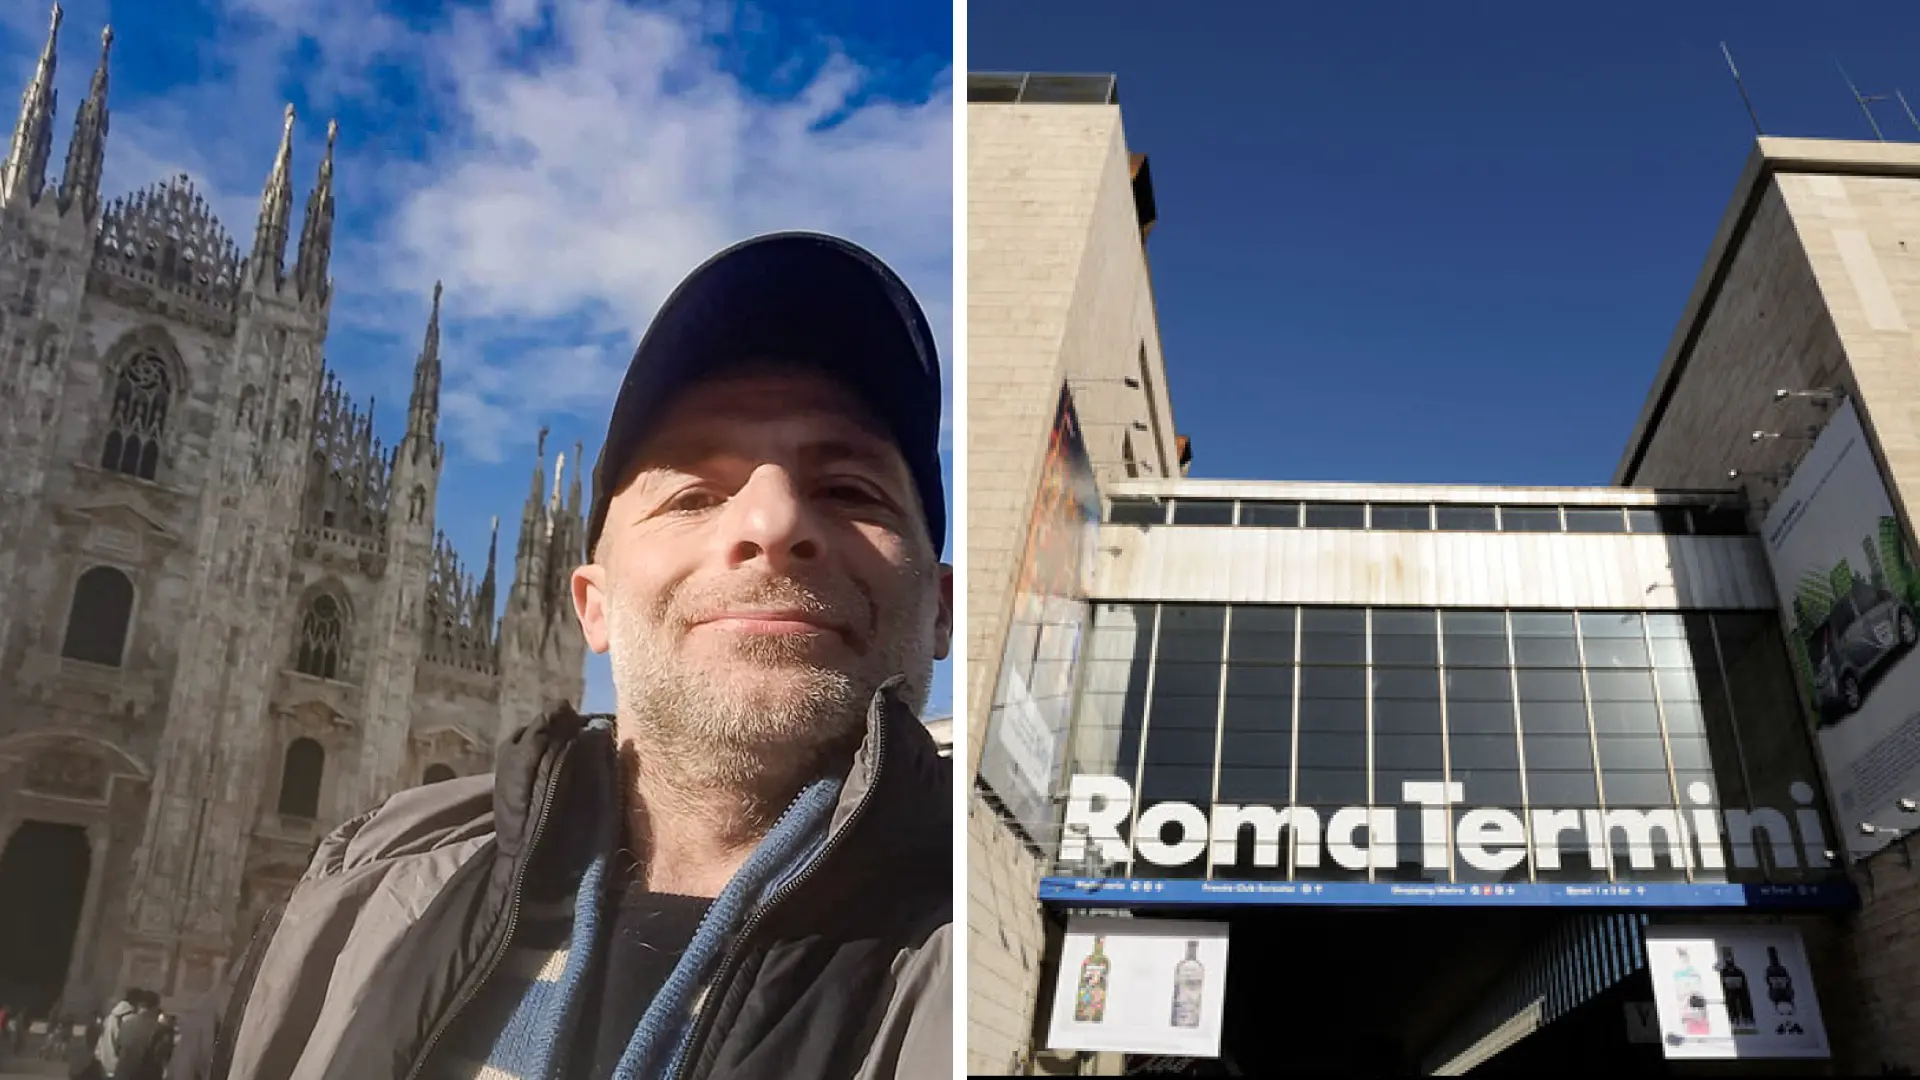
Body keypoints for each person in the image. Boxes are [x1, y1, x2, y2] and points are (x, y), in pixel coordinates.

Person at [169, 232, 952, 1080]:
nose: (770, 526)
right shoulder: (350, 904)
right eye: (694, 492)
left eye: (849, 490)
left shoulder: (958, 977)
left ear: (944, 607)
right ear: (591, 603)